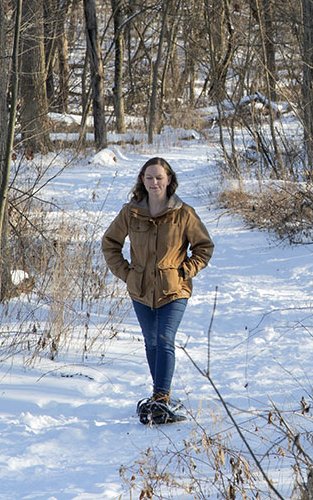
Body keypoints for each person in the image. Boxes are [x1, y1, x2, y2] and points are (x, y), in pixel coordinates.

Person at [101, 157, 214, 425]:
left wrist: (184, 272)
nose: (154, 182)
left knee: (164, 340)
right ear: (142, 180)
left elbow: (204, 247)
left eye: (159, 177)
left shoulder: (184, 213)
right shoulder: (130, 212)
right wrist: (127, 274)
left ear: (169, 180)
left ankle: (161, 400)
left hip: (174, 289)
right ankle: (159, 397)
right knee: (151, 341)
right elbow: (110, 244)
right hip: (140, 289)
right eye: (149, 177)